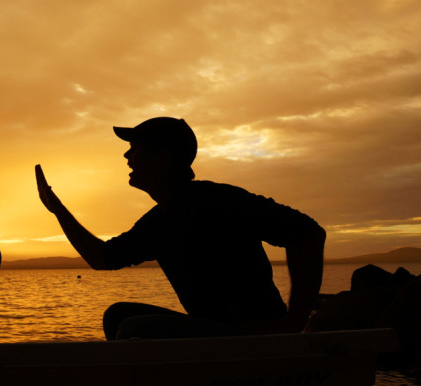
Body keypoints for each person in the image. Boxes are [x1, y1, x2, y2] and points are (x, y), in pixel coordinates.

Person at [36, 117, 326, 340]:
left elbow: (309, 233)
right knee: (118, 316)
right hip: (211, 332)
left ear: (163, 158)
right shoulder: (159, 219)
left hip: (253, 334)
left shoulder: (221, 200)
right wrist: (58, 210)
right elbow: (102, 258)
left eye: (134, 149)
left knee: (136, 327)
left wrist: (292, 323)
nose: (127, 157)